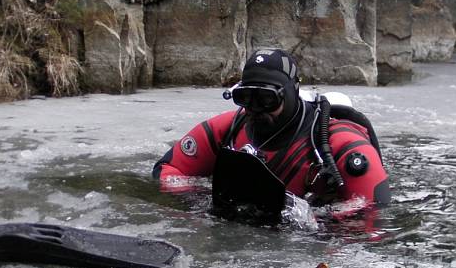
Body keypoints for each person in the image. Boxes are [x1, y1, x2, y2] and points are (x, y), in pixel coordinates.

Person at [153, 49, 391, 213]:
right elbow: (168, 169)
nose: (255, 109)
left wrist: (309, 221)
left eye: (267, 99)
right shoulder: (229, 129)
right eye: (245, 98)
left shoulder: (340, 146)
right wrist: (201, 201)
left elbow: (370, 218)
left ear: (290, 95)